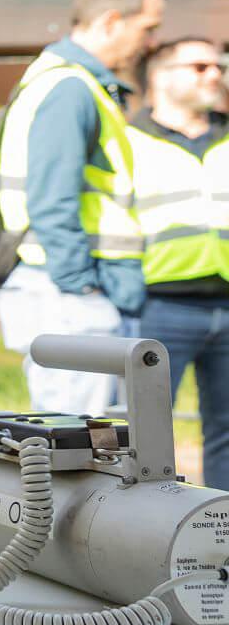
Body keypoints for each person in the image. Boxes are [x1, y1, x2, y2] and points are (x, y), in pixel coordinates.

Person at [0, 0, 164, 414]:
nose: (151, 42)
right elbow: (52, 198)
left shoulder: (73, 83)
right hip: (69, 292)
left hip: (71, 288)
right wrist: (79, 286)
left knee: (87, 435)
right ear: (111, 21)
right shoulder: (70, 88)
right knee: (78, 435)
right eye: (148, 28)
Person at [128, 37, 229, 488]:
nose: (215, 74)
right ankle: (139, 522)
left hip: (227, 301)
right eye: (200, 66)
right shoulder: (127, 141)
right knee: (142, 434)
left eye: (218, 66)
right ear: (160, 76)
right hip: (158, 305)